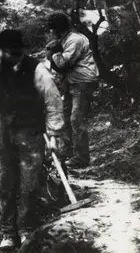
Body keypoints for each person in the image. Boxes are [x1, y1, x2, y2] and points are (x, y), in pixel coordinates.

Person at [0, 29, 64, 250]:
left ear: (9, 51)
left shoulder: (38, 70)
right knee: (4, 185)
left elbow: (53, 102)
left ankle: (27, 231)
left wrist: (54, 134)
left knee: (29, 185)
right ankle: (8, 233)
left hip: (31, 136)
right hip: (6, 135)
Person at [46, 12, 99, 168]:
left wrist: (54, 53)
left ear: (58, 28)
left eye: (52, 29)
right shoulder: (65, 39)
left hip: (83, 82)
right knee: (66, 117)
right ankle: (66, 152)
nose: (51, 32)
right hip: (72, 82)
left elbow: (63, 64)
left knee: (76, 119)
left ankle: (82, 157)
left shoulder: (74, 40)